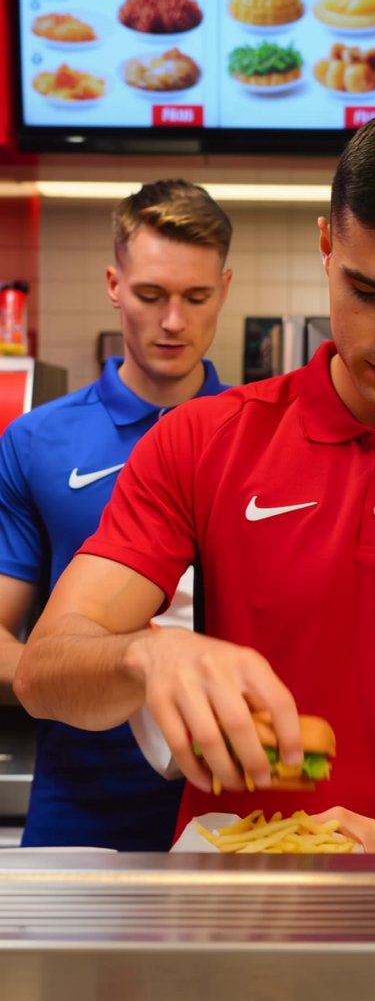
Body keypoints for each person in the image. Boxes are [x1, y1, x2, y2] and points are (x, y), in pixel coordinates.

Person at [14, 106, 375, 855]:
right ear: (326, 248)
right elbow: (46, 669)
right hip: (228, 911)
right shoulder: (203, 439)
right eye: (366, 292)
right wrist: (145, 655)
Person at [0, 178, 233, 849]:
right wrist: (79, 675)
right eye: (150, 295)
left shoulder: (262, 439)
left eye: (195, 297)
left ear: (223, 287)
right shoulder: (38, 442)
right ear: (113, 284)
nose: (172, 322)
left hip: (232, 806)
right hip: (80, 802)